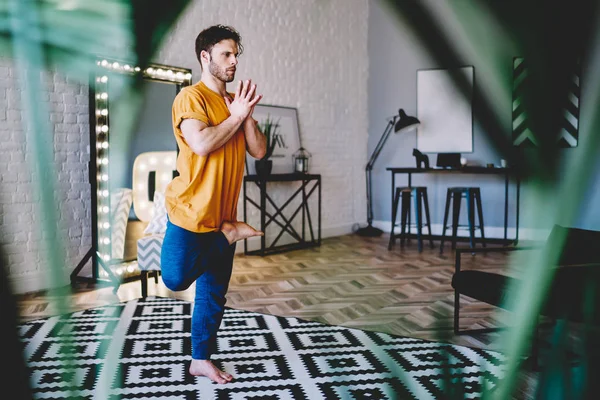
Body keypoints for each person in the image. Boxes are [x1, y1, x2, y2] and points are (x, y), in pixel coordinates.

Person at [160, 25, 266, 384]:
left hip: (222, 213)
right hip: (191, 212)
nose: (234, 60)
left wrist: (246, 114)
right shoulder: (191, 97)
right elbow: (202, 143)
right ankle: (230, 236)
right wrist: (236, 116)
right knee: (175, 278)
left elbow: (259, 151)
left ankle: (200, 359)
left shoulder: (235, 103)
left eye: (236, 54)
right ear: (205, 57)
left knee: (212, 294)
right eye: (226, 54)